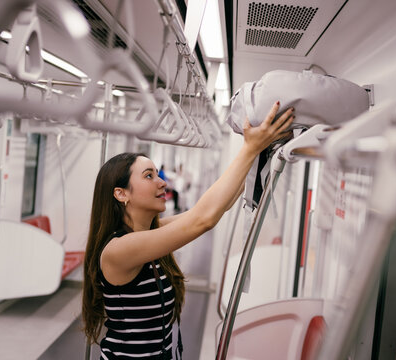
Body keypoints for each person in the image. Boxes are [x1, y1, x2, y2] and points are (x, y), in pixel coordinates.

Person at [82, 101, 294, 359]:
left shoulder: (149, 233)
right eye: (149, 176)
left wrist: (261, 153)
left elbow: (220, 206)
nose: (162, 182)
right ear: (121, 193)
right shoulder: (119, 249)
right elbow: (202, 219)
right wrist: (250, 148)